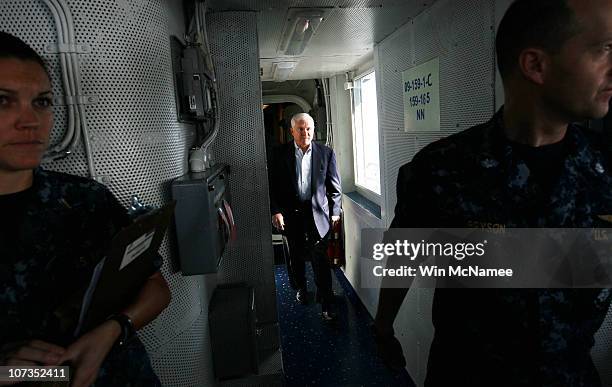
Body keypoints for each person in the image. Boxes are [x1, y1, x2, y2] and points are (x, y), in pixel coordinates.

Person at [373, 0, 612, 386]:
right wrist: (383, 326)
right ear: (535, 65)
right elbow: (405, 253)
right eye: (602, 50)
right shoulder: (441, 169)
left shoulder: (605, 169)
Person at [0, 31, 171, 386]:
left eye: (42, 102)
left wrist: (114, 328)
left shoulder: (84, 200)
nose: (30, 120)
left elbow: (156, 288)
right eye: (3, 101)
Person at [269, 112, 342, 320]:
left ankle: (326, 302)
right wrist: (276, 211)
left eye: (308, 128)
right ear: (292, 131)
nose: (305, 132)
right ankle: (301, 286)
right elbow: (272, 186)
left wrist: (335, 213)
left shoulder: (326, 153)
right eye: (300, 129)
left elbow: (335, 188)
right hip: (291, 214)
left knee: (320, 258)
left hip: (318, 215)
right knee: (296, 255)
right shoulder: (279, 154)